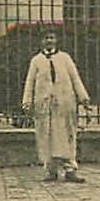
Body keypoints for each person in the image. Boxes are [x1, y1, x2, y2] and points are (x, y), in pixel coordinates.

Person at [22, 31, 90, 183]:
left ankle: (70, 169)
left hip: (64, 104)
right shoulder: (36, 61)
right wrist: (27, 102)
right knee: (47, 137)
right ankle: (50, 170)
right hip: (45, 106)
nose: (49, 41)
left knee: (67, 135)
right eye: (46, 38)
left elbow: (75, 78)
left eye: (52, 38)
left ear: (57, 40)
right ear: (41, 41)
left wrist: (83, 98)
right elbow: (30, 82)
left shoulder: (65, 58)